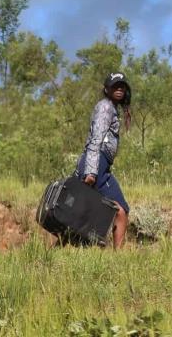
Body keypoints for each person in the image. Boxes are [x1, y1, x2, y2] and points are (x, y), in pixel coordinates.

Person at [73, 72, 131, 249]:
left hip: (102, 166)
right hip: (96, 164)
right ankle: (115, 255)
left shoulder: (112, 108)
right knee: (117, 210)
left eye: (122, 86)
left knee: (120, 209)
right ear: (106, 89)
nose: (119, 89)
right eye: (115, 86)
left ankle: (115, 256)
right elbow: (95, 140)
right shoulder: (105, 107)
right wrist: (91, 171)